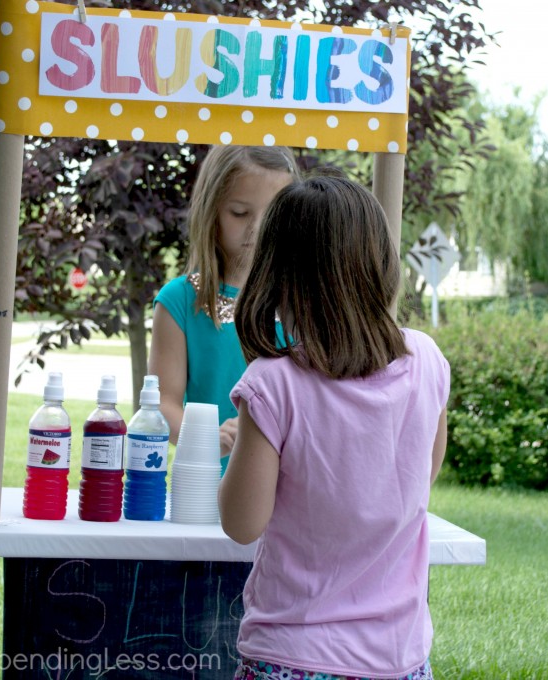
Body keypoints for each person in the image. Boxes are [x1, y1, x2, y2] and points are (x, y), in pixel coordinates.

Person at [219, 175, 450, 680]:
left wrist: (249, 445)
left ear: (277, 274)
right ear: (380, 265)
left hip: (293, 656)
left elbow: (241, 524)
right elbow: (419, 477)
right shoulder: (428, 361)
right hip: (401, 659)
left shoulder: (272, 385)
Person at [148, 146, 298, 470]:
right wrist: (204, 436)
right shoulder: (180, 300)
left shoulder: (303, 300)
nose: (257, 228)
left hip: (292, 495)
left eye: (272, 214)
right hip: (204, 489)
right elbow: (162, 402)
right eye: (240, 213)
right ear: (211, 209)